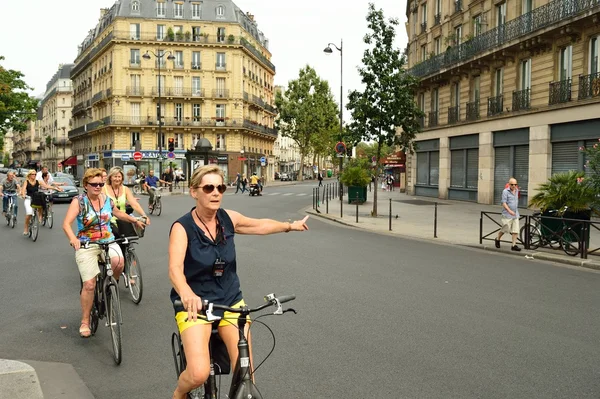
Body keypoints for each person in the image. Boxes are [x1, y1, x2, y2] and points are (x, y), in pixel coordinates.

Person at [168, 165, 309, 399]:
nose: (216, 193)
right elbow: (174, 268)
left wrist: (289, 226)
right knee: (198, 374)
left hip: (230, 301)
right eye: (209, 187)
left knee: (245, 375)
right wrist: (185, 292)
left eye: (220, 187)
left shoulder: (228, 219)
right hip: (196, 306)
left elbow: (260, 225)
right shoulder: (182, 228)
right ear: (194, 192)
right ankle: (179, 393)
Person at [62, 168, 146, 338]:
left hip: (108, 240)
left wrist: (134, 219)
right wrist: (73, 239)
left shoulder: (106, 199)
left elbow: (117, 213)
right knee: (89, 285)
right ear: (86, 185)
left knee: (119, 263)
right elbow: (66, 224)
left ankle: (109, 287)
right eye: (94, 184)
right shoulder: (78, 202)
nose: (98, 187)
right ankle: (85, 320)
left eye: (100, 184)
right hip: (87, 244)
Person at [104, 166, 151, 235]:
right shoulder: (103, 189)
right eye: (115, 176)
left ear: (122, 178)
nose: (117, 179)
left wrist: (144, 215)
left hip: (123, 220)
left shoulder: (125, 189)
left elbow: (134, 204)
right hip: (108, 222)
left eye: (119, 177)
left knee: (128, 242)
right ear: (110, 177)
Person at [20, 169, 61, 236]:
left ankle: (40, 216)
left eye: (35, 174)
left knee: (41, 205)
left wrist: (56, 188)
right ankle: (26, 228)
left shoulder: (38, 181)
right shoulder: (26, 182)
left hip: (36, 198)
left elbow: (46, 186)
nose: (34, 175)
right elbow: (23, 189)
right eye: (33, 174)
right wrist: (23, 195)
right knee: (29, 213)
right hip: (28, 198)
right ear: (29, 175)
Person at [495, 177, 521, 251]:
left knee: (515, 230)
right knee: (505, 229)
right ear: (509, 184)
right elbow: (504, 203)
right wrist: (509, 210)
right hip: (507, 214)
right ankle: (497, 239)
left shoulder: (516, 191)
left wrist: (514, 211)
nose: (514, 186)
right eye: (512, 184)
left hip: (515, 214)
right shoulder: (505, 191)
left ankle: (514, 245)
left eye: (515, 184)